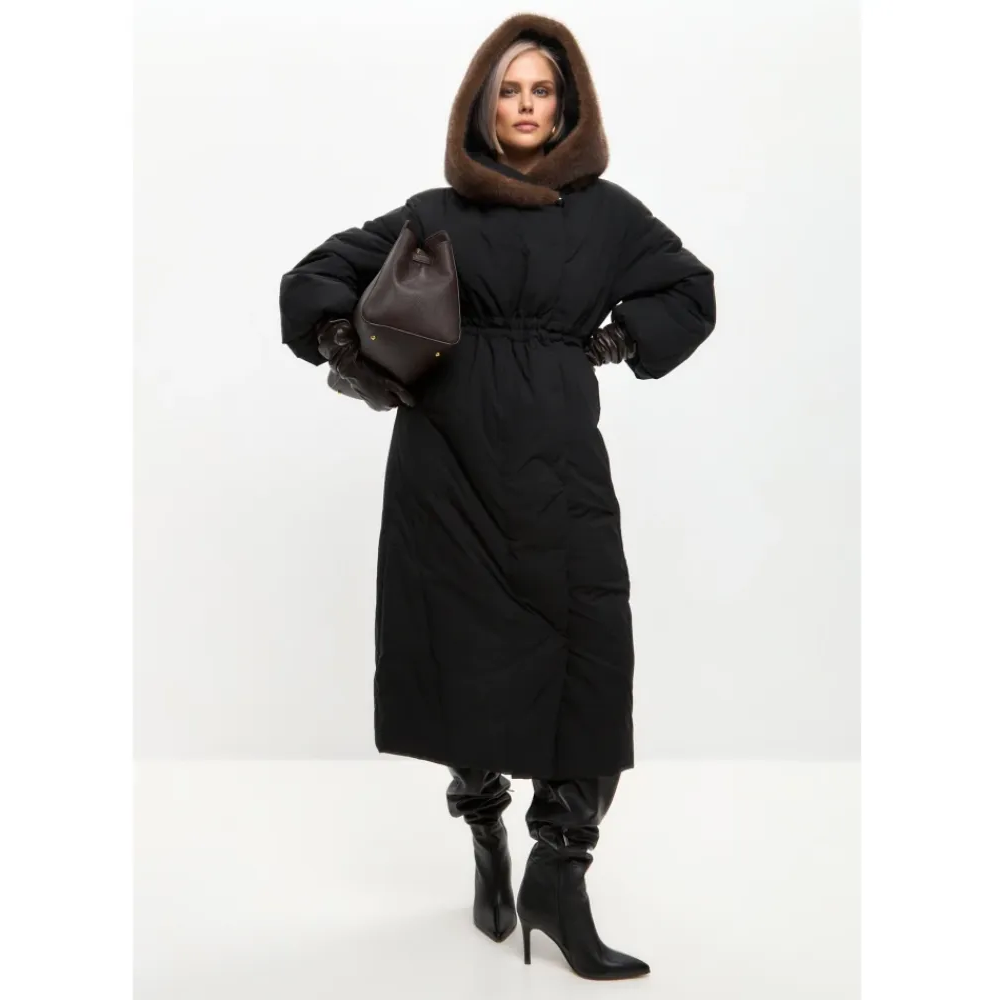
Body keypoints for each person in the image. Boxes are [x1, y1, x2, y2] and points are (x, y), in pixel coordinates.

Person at [278, 12, 716, 981]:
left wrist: (617, 339)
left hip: (561, 469)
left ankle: (559, 873)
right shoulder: (436, 212)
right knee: (464, 657)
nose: (525, 106)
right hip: (449, 464)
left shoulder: (610, 217)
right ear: (481, 107)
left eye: (541, 90)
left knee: (592, 661)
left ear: (568, 106)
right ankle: (485, 831)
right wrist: (345, 344)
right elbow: (315, 277)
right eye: (508, 90)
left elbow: (691, 291)